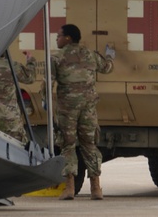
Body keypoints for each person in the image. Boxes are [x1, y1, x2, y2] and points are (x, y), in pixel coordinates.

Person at [48, 23, 114, 200]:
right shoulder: (90, 55)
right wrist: (110, 55)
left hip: (67, 109)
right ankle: (96, 188)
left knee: (67, 145)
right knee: (89, 144)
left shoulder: (56, 58)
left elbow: (48, 83)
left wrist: (45, 103)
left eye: (59, 36)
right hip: (88, 108)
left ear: (68, 38)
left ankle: (69, 188)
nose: (57, 39)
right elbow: (107, 68)